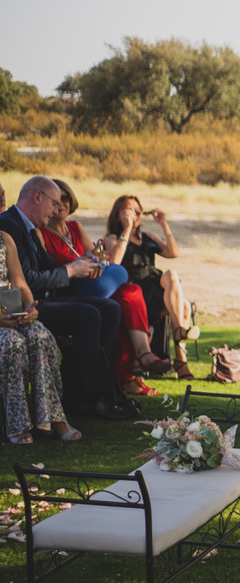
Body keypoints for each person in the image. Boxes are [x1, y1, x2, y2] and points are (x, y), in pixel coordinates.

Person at [0, 177, 134, 420]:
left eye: (63, 202)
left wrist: (90, 263)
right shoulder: (22, 228)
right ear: (38, 197)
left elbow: (84, 253)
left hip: (57, 294)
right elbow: (28, 279)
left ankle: (104, 391)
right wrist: (72, 270)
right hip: (36, 301)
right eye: (54, 203)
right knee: (90, 315)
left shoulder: (52, 228)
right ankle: (92, 397)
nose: (56, 209)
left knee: (112, 308)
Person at [38, 178, 170, 394]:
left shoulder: (75, 227)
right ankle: (133, 366)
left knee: (130, 292)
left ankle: (141, 355)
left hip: (94, 284)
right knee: (122, 296)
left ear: (71, 201)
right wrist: (80, 265)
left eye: (65, 198)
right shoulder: (41, 233)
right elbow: (48, 270)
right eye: (56, 200)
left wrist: (97, 259)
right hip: (68, 290)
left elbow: (98, 257)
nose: (61, 204)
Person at [1, 229, 81, 444]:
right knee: (12, 342)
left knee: (40, 335)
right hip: (2, 322)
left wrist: (29, 306)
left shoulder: (5, 238)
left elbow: (19, 282)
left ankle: (53, 418)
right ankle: (17, 423)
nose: (1, 196)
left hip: (11, 313)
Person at [104, 195, 197, 375]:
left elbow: (172, 253)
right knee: (184, 307)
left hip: (154, 286)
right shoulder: (113, 238)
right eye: (129, 211)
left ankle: (178, 337)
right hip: (134, 291)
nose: (135, 215)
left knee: (172, 276)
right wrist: (128, 228)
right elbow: (114, 261)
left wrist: (163, 224)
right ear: (118, 215)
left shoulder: (148, 236)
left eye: (137, 212)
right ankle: (180, 359)